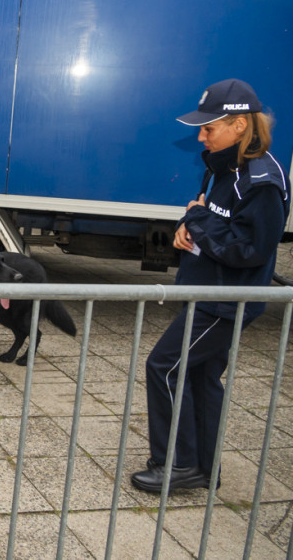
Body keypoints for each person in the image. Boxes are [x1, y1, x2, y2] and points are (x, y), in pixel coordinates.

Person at [130, 79, 290, 493]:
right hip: (206, 291)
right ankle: (202, 468)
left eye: (209, 128)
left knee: (163, 367)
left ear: (239, 125)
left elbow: (249, 249)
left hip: (225, 301)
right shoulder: (223, 163)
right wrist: (188, 225)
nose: (201, 135)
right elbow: (202, 211)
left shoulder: (263, 181)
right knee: (200, 378)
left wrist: (197, 222)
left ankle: (176, 465)